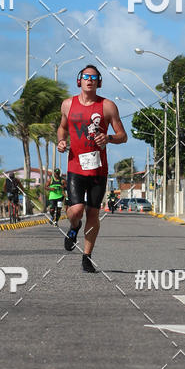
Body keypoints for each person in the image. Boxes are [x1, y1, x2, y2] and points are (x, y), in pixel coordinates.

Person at [57, 65, 127, 272]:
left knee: (93, 213)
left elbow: (123, 136)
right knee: (77, 210)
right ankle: (74, 226)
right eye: (86, 77)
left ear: (99, 82)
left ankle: (86, 256)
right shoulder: (68, 104)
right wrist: (61, 141)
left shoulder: (108, 106)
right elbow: (62, 128)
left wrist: (109, 138)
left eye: (94, 78)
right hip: (75, 166)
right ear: (79, 80)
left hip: (98, 169)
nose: (90, 80)